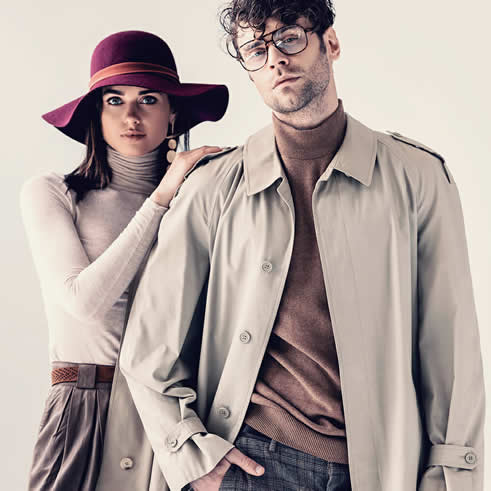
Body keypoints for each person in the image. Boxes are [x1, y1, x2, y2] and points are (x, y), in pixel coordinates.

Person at [115, 2, 485, 490]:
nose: (274, 59)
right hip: (250, 459)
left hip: (382, 467)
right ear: (250, 72)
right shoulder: (212, 187)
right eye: (255, 49)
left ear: (330, 43)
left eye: (289, 38)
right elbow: (148, 348)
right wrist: (190, 452)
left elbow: (450, 349)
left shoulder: (418, 177)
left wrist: (450, 478)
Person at [20, 29, 229, 491]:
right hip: (83, 404)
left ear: (172, 112)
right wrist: (160, 197)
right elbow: (83, 304)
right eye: (114, 99)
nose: (131, 115)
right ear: (96, 111)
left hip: (172, 411)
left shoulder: (198, 202)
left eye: (148, 99)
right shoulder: (53, 193)